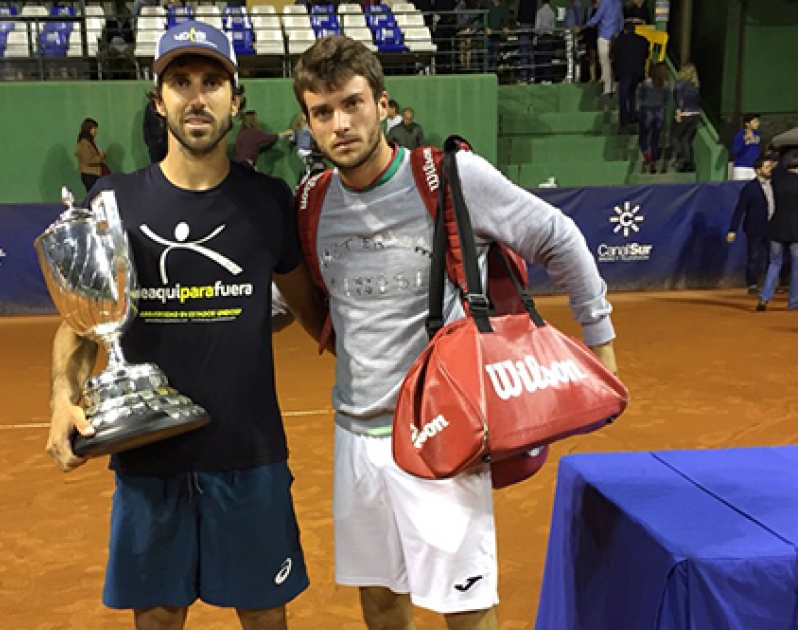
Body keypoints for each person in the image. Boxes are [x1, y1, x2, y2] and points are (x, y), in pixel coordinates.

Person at [291, 34, 619, 630]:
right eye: (323, 112)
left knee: (464, 608)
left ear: (382, 105)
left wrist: (602, 345)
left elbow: (561, 237)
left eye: (353, 104)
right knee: (382, 600)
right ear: (307, 122)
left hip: (440, 434)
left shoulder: (450, 177)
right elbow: (310, 302)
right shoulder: (312, 200)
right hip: (356, 437)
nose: (340, 123)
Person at [46, 21, 325, 630]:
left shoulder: (269, 200)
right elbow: (80, 321)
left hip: (248, 452)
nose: (196, 97)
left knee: (265, 616)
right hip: (150, 452)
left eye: (211, 82)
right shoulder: (115, 202)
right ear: (158, 99)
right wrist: (62, 403)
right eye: (180, 82)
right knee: (159, 618)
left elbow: (312, 313)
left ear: (235, 98)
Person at [727, 156, 776, 294]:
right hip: (754, 228)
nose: (770, 170)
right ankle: (752, 283)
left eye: (770, 167)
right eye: (767, 167)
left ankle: (769, 284)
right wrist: (732, 229)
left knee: (772, 257)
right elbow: (740, 208)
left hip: (772, 227)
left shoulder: (774, 185)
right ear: (758, 170)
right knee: (754, 256)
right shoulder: (750, 188)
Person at [757, 152, 798, 311]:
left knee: (774, 263)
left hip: (776, 226)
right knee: (796, 266)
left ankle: (764, 298)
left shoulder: (777, 181)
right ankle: (793, 302)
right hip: (796, 230)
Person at [578, 0, 623, 98]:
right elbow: (620, 21)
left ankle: (607, 90)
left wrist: (582, 27)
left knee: (605, 62)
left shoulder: (605, 2)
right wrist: (617, 34)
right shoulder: (618, 3)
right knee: (611, 62)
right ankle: (613, 87)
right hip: (615, 37)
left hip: (604, 35)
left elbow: (596, 19)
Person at [612, 21, 650, 131]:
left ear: (624, 29)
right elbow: (646, 54)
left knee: (623, 95)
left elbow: (615, 54)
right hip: (637, 71)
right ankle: (632, 114)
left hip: (624, 72)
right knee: (632, 93)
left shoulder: (619, 41)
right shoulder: (642, 40)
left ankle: (624, 117)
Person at [637, 61, 670, 174]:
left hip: (647, 110)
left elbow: (641, 95)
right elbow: (666, 98)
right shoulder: (665, 84)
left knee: (643, 137)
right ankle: (653, 162)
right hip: (659, 111)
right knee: (655, 139)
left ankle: (647, 154)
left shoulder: (647, 83)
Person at [670, 62, 701, 173]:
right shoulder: (695, 86)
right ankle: (689, 163)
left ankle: (680, 155)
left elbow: (679, 99)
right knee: (686, 139)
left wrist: (678, 111)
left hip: (684, 113)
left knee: (674, 137)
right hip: (695, 114)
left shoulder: (680, 85)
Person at [74, 117, 110, 193]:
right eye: (94, 128)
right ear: (89, 129)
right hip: (90, 175)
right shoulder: (84, 143)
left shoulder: (90, 142)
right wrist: (101, 157)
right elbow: (88, 159)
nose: (96, 131)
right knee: (94, 195)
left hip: (95, 174)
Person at [731, 113, 762, 181]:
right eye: (755, 122)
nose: (757, 124)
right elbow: (735, 150)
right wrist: (743, 140)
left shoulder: (757, 135)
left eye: (757, 121)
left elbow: (758, 150)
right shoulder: (740, 134)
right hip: (741, 167)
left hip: (754, 167)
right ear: (747, 123)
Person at [143, 99, 168, 163]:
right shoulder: (150, 107)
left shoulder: (170, 105)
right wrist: (151, 144)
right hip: (155, 147)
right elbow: (147, 127)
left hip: (169, 145)